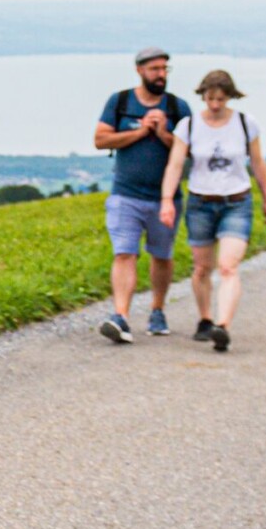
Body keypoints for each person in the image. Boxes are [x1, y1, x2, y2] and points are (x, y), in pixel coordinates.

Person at [158, 69, 266, 352]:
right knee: (202, 267)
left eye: (220, 99)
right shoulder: (188, 127)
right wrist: (166, 200)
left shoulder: (245, 124)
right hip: (201, 202)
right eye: (210, 99)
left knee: (228, 266)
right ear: (203, 96)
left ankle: (222, 325)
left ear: (230, 97)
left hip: (237, 202)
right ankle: (205, 318)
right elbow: (175, 164)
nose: (214, 105)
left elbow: (258, 164)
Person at [92, 48, 191, 343]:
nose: (161, 75)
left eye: (165, 69)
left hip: (166, 198)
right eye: (155, 69)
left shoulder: (177, 107)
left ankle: (157, 309)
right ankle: (120, 316)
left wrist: (163, 132)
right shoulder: (120, 102)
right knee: (125, 252)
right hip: (126, 194)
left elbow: (192, 150)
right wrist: (139, 131)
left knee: (161, 256)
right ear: (139, 71)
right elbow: (100, 139)